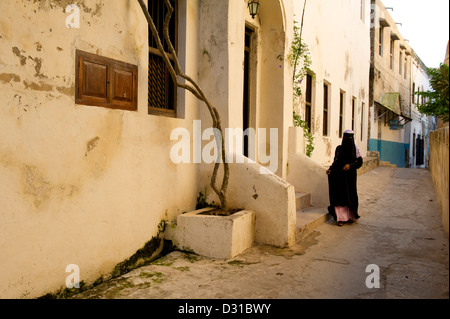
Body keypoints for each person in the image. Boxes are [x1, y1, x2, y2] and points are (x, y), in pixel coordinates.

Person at [326, 129, 363, 226]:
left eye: (349, 137)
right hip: (340, 176)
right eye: (346, 137)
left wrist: (350, 166)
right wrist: (331, 169)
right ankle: (340, 218)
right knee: (340, 197)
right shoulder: (339, 148)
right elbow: (336, 161)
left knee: (350, 196)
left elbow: (359, 162)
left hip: (350, 177)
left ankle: (350, 216)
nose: (348, 140)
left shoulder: (356, 150)